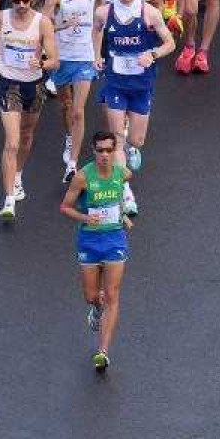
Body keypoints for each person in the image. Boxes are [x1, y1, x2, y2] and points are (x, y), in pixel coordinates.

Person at [58, 129, 133, 372]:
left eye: (109, 150)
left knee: (112, 294)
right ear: (93, 151)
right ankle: (95, 306)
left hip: (115, 240)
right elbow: (65, 207)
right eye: (100, 150)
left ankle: (103, 351)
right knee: (91, 296)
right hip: (89, 242)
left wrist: (123, 215)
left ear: (114, 152)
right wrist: (84, 217)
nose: (104, 155)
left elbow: (122, 197)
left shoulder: (122, 174)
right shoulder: (82, 177)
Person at [0, 0, 58, 222]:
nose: (21, 4)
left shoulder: (43, 23)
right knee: (12, 142)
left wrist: (41, 62)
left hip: (35, 85)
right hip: (10, 84)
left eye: (25, 0)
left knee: (27, 136)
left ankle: (18, 173)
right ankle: (9, 200)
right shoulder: (1, 17)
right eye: (16, 0)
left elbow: (54, 60)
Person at [95, 0, 175, 172]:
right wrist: (96, 55)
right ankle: (125, 192)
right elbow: (95, 30)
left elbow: (170, 43)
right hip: (116, 84)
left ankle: (133, 147)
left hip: (141, 85)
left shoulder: (150, 13)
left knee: (137, 140)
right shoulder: (104, 12)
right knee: (117, 139)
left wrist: (153, 55)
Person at [45, 0, 99, 180]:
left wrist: (97, 53)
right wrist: (62, 25)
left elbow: (99, 24)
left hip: (84, 57)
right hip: (61, 56)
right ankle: (70, 137)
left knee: (78, 110)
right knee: (65, 105)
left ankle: (73, 165)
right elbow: (44, 25)